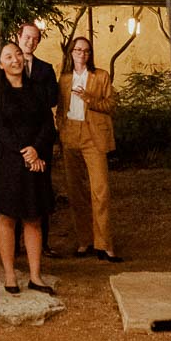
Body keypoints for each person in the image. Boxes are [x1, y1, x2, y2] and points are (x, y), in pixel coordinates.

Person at [0, 42, 57, 296]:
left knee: (34, 217)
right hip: (9, 162)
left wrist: (36, 151)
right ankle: (10, 273)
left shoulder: (37, 90)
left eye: (18, 54)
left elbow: (48, 124)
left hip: (36, 160)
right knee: (8, 217)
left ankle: (35, 275)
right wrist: (25, 151)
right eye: (8, 56)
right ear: (1, 64)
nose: (15, 60)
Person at [57, 37, 121, 262]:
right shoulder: (64, 78)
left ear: (90, 54)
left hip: (93, 136)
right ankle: (85, 241)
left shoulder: (100, 76)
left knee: (100, 191)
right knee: (76, 191)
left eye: (86, 51)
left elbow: (111, 105)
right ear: (71, 53)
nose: (82, 54)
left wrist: (89, 99)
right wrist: (62, 130)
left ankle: (104, 244)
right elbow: (61, 109)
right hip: (70, 134)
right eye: (77, 50)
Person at [16, 22, 61, 256]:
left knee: (41, 189)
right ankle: (13, 245)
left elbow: (52, 99)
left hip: (41, 136)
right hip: (16, 139)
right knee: (14, 188)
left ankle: (42, 243)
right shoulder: (6, 65)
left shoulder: (46, 69)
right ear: (19, 36)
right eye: (27, 37)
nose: (30, 42)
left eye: (35, 39)